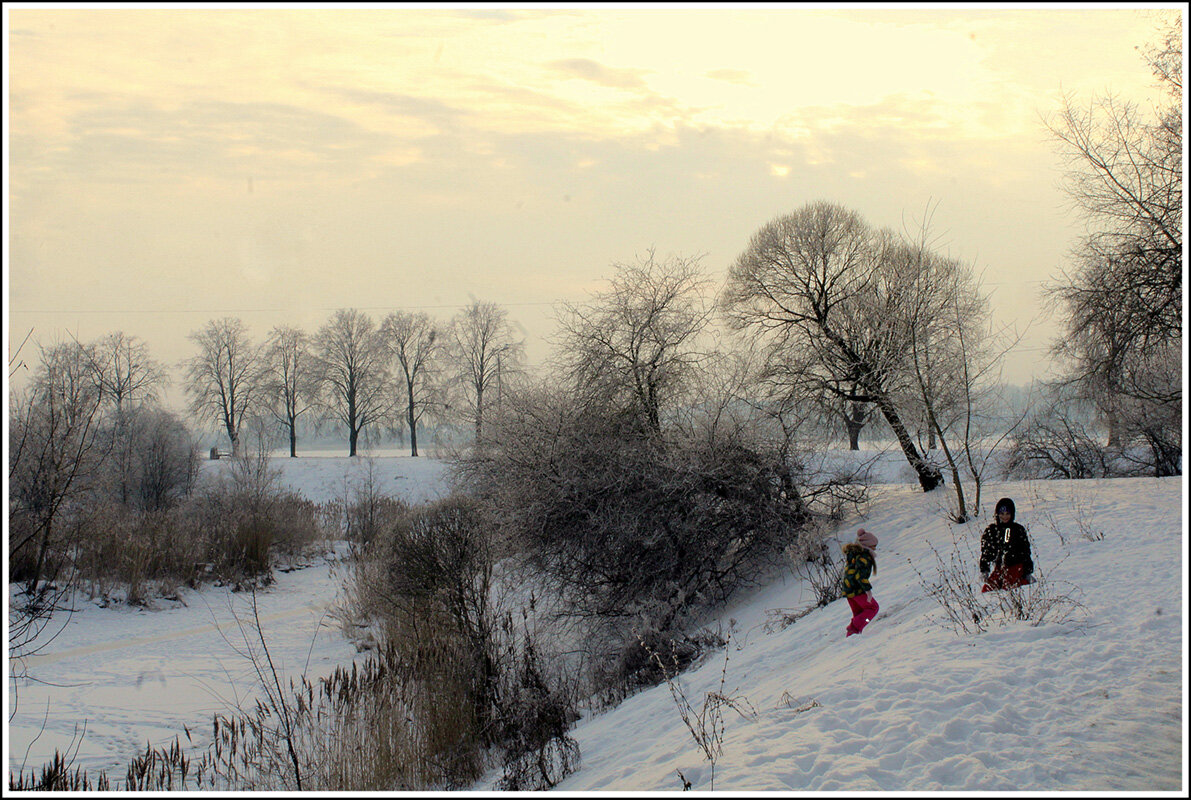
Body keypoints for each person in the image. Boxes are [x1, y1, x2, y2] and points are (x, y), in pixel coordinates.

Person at [979, 497, 1034, 592]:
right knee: (987, 590)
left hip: (1016, 567)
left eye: (1007, 514)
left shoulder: (1017, 530)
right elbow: (987, 552)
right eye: (1002, 514)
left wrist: (1027, 571)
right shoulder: (992, 530)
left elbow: (1025, 551)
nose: (1005, 517)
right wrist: (985, 569)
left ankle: (1026, 583)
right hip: (1000, 568)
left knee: (1007, 588)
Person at [842, 528, 879, 636]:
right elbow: (860, 575)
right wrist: (867, 590)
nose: (875, 549)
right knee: (873, 608)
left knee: (859, 613)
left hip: (848, 589)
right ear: (868, 545)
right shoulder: (864, 556)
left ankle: (852, 636)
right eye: (874, 546)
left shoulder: (854, 554)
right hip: (857, 589)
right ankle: (853, 628)